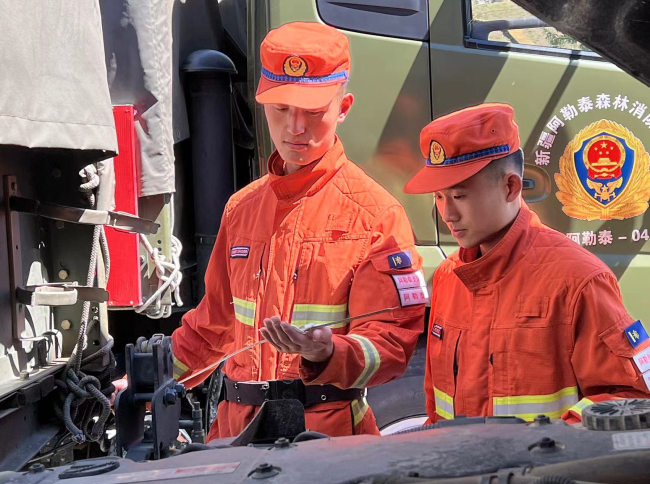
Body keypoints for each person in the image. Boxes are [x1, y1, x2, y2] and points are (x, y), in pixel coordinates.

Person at [171, 21, 426, 441]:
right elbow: (211, 327)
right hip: (236, 436)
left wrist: (328, 353)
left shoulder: (376, 216)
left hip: (326, 441)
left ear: (343, 107)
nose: (294, 128)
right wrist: (152, 381)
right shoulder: (241, 209)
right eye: (281, 109)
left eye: (313, 112)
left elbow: (393, 343)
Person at [403, 103, 650, 425]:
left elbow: (632, 398)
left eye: (459, 196)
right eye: (438, 197)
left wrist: (547, 444)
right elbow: (437, 409)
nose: (447, 214)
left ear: (511, 187)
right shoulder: (450, 277)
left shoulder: (578, 280)